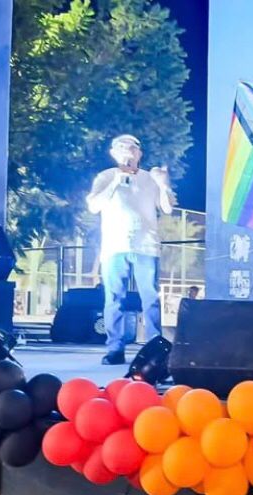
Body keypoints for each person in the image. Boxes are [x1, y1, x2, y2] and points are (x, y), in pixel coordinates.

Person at [86, 134, 176, 365]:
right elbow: (94, 206)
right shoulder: (105, 176)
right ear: (113, 153)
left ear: (139, 153)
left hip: (146, 244)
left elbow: (167, 208)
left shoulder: (150, 178)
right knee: (114, 298)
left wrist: (163, 184)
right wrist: (116, 181)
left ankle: (155, 349)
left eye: (132, 147)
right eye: (122, 147)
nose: (128, 151)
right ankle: (115, 348)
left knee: (151, 298)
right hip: (114, 245)